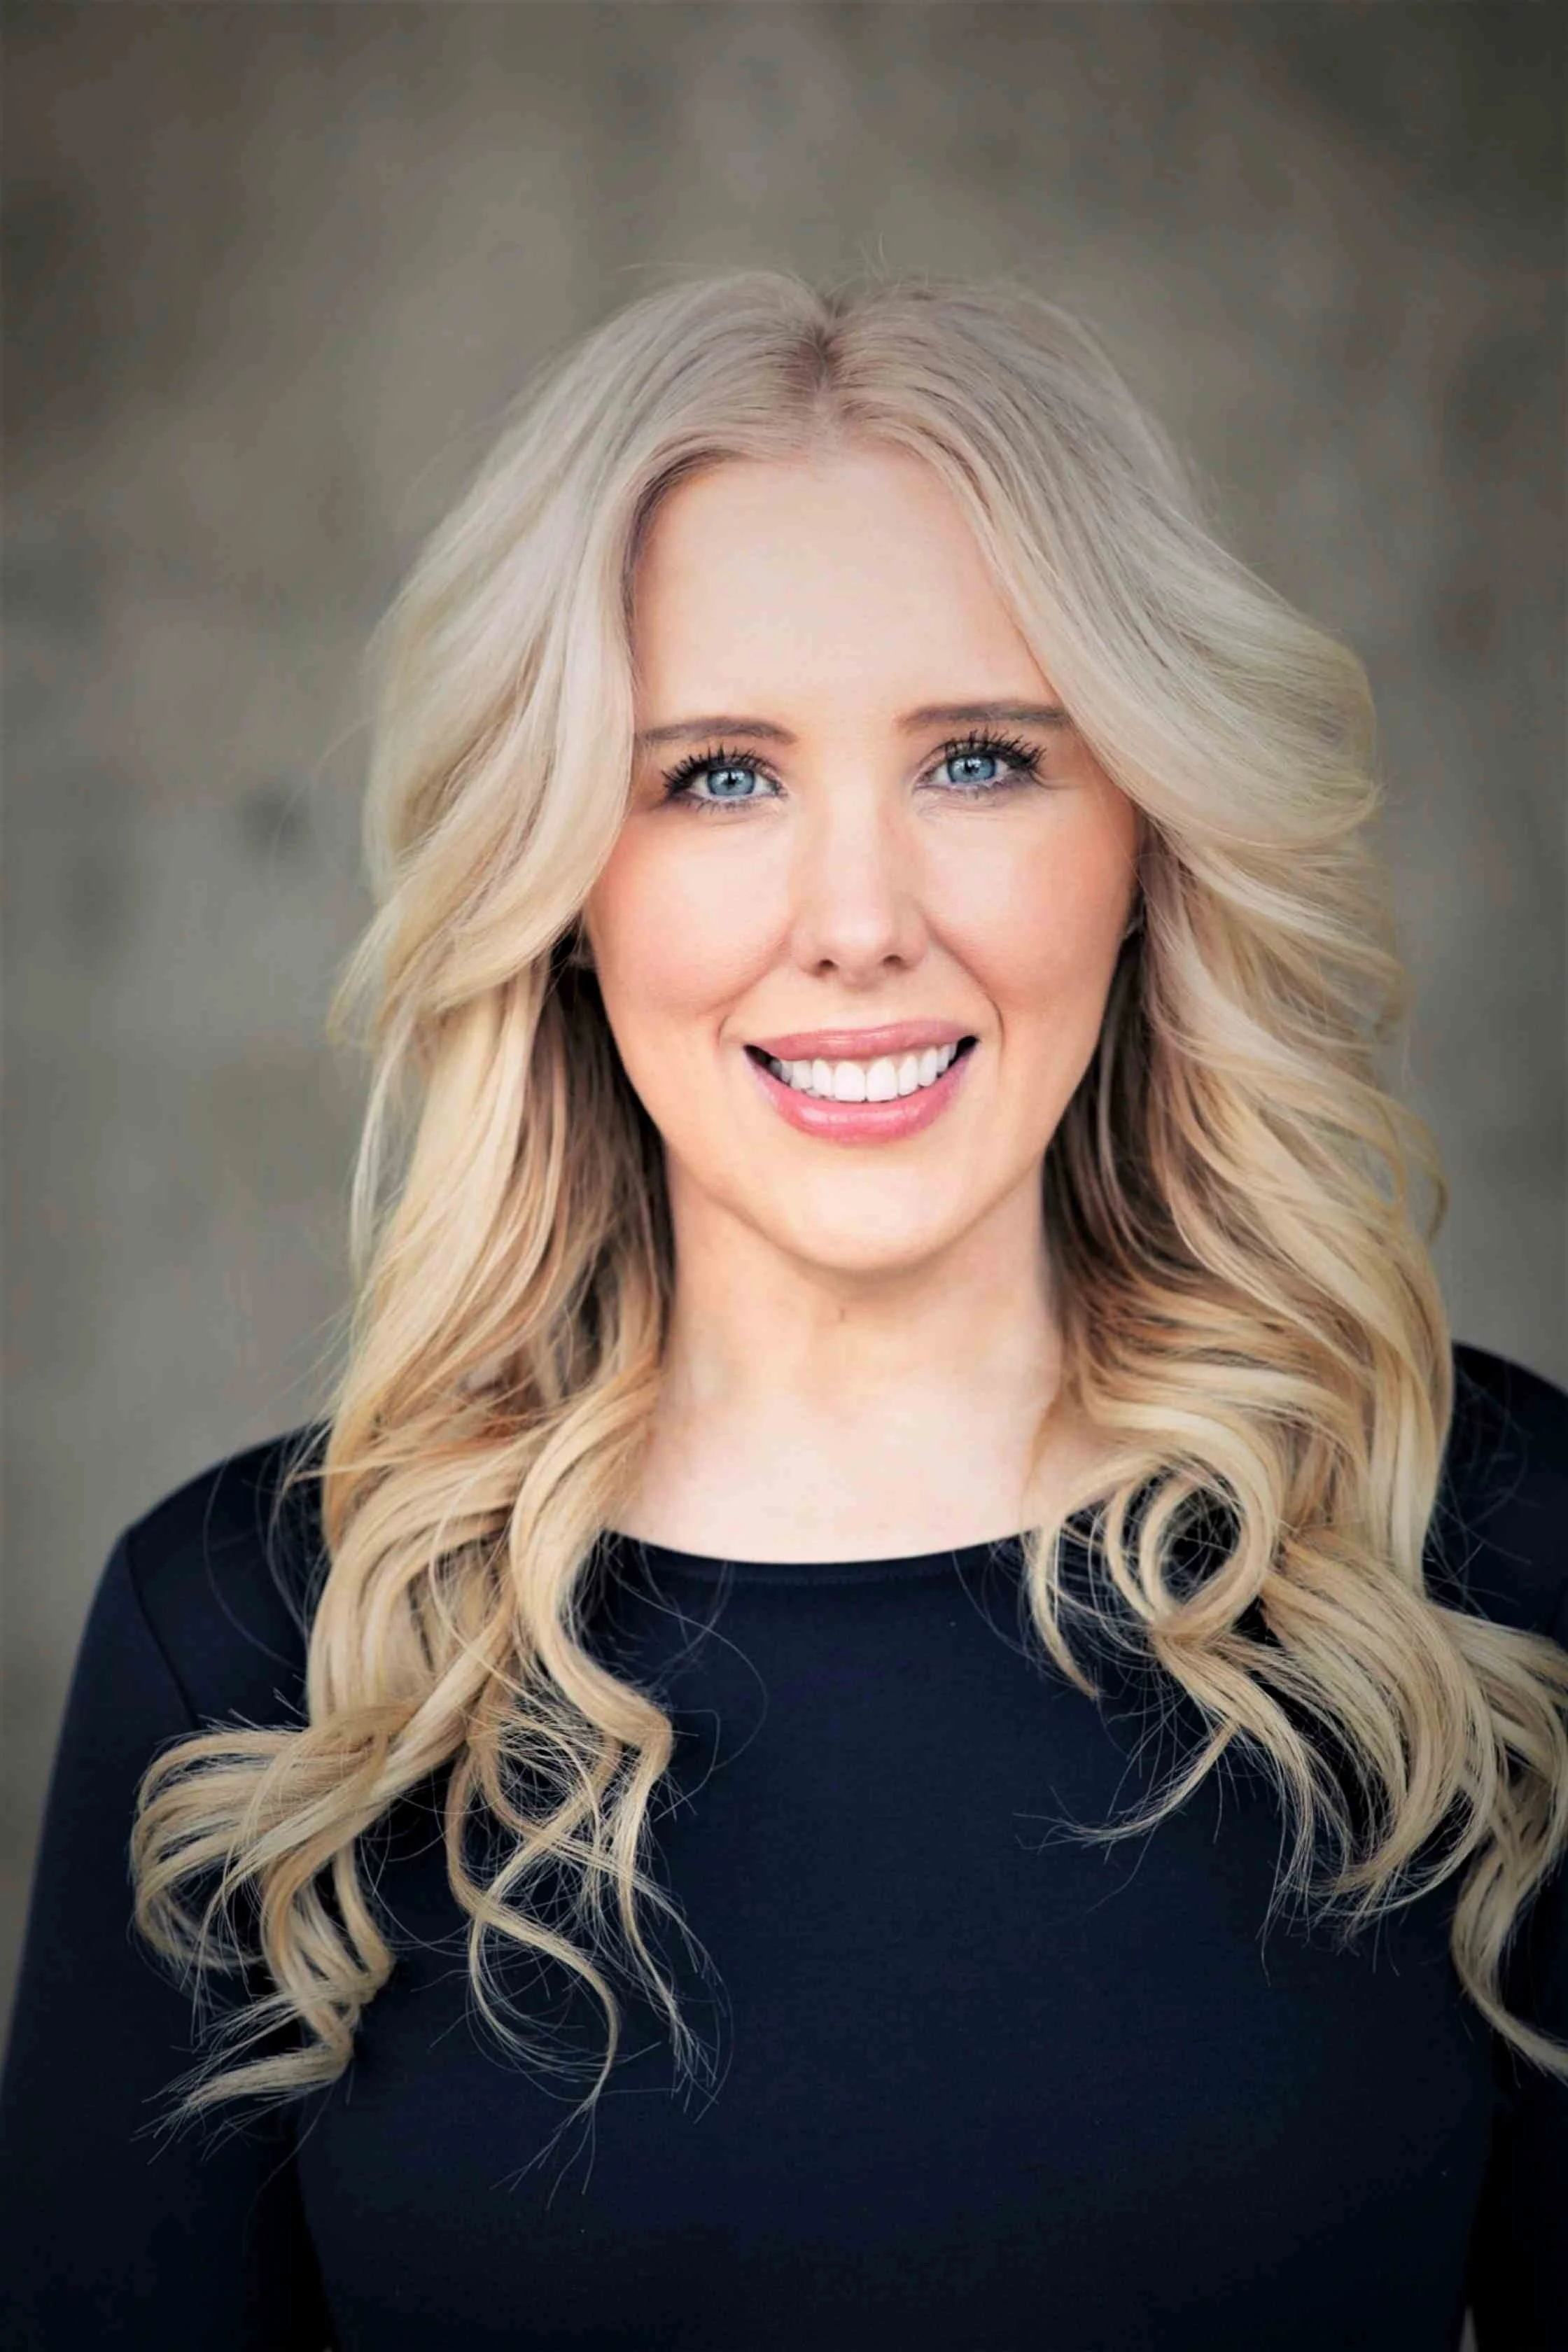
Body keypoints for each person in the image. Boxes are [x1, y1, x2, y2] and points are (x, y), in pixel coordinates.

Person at [1, 270, 1564, 2352]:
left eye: (985, 759)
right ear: (558, 885)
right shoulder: (259, 1658)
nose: (857, 924)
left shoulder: (1480, 1575)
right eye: (717, 777)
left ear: (1144, 842)